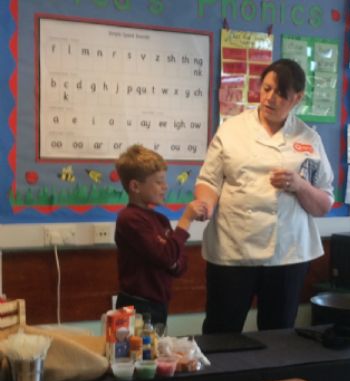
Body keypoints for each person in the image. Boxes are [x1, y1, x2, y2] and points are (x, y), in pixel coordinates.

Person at [195, 58, 334, 334]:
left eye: (280, 93)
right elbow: (209, 181)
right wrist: (205, 205)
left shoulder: (308, 138)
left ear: (297, 98)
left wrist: (300, 185)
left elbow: (324, 204)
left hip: (287, 253)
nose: (270, 98)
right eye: (266, 89)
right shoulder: (232, 130)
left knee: (278, 336)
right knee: (221, 332)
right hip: (232, 248)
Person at [114, 144, 207, 325]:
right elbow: (167, 256)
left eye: (164, 181)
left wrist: (171, 259)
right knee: (138, 345)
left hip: (158, 304)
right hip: (136, 306)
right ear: (135, 186)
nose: (165, 187)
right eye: (158, 182)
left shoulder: (161, 220)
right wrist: (186, 219)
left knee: (157, 343)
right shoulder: (129, 219)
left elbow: (179, 261)